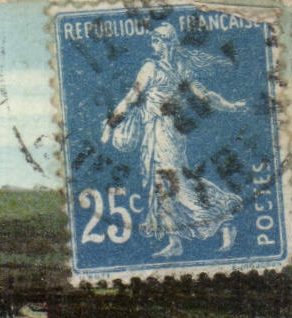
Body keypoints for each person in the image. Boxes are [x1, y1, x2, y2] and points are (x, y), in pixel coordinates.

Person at [102, 24, 248, 258]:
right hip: (155, 132)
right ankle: (175, 241)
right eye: (153, 41)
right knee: (162, 185)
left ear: (169, 42)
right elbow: (131, 98)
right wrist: (111, 124)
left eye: (158, 41)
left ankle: (223, 218)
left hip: (167, 132)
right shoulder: (154, 67)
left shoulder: (174, 67)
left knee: (176, 183)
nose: (154, 46)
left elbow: (205, 95)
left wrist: (230, 106)